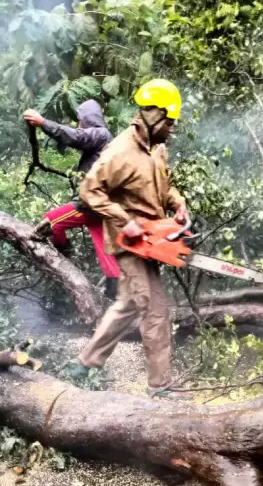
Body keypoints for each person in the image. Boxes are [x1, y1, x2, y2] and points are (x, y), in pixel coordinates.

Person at [66, 79, 189, 399]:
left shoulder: (155, 151)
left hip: (153, 240)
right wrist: (125, 221)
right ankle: (159, 387)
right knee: (155, 310)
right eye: (171, 121)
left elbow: (165, 185)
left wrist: (178, 203)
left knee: (127, 304)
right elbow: (89, 191)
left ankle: (85, 363)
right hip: (130, 244)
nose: (173, 128)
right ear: (155, 116)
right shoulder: (120, 151)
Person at [24, 100, 120, 296]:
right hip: (100, 205)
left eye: (79, 120)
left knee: (50, 222)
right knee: (106, 253)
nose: (78, 124)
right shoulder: (103, 139)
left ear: (87, 119)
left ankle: (63, 253)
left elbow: (74, 137)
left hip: (90, 204)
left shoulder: (100, 134)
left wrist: (43, 122)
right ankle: (115, 296)